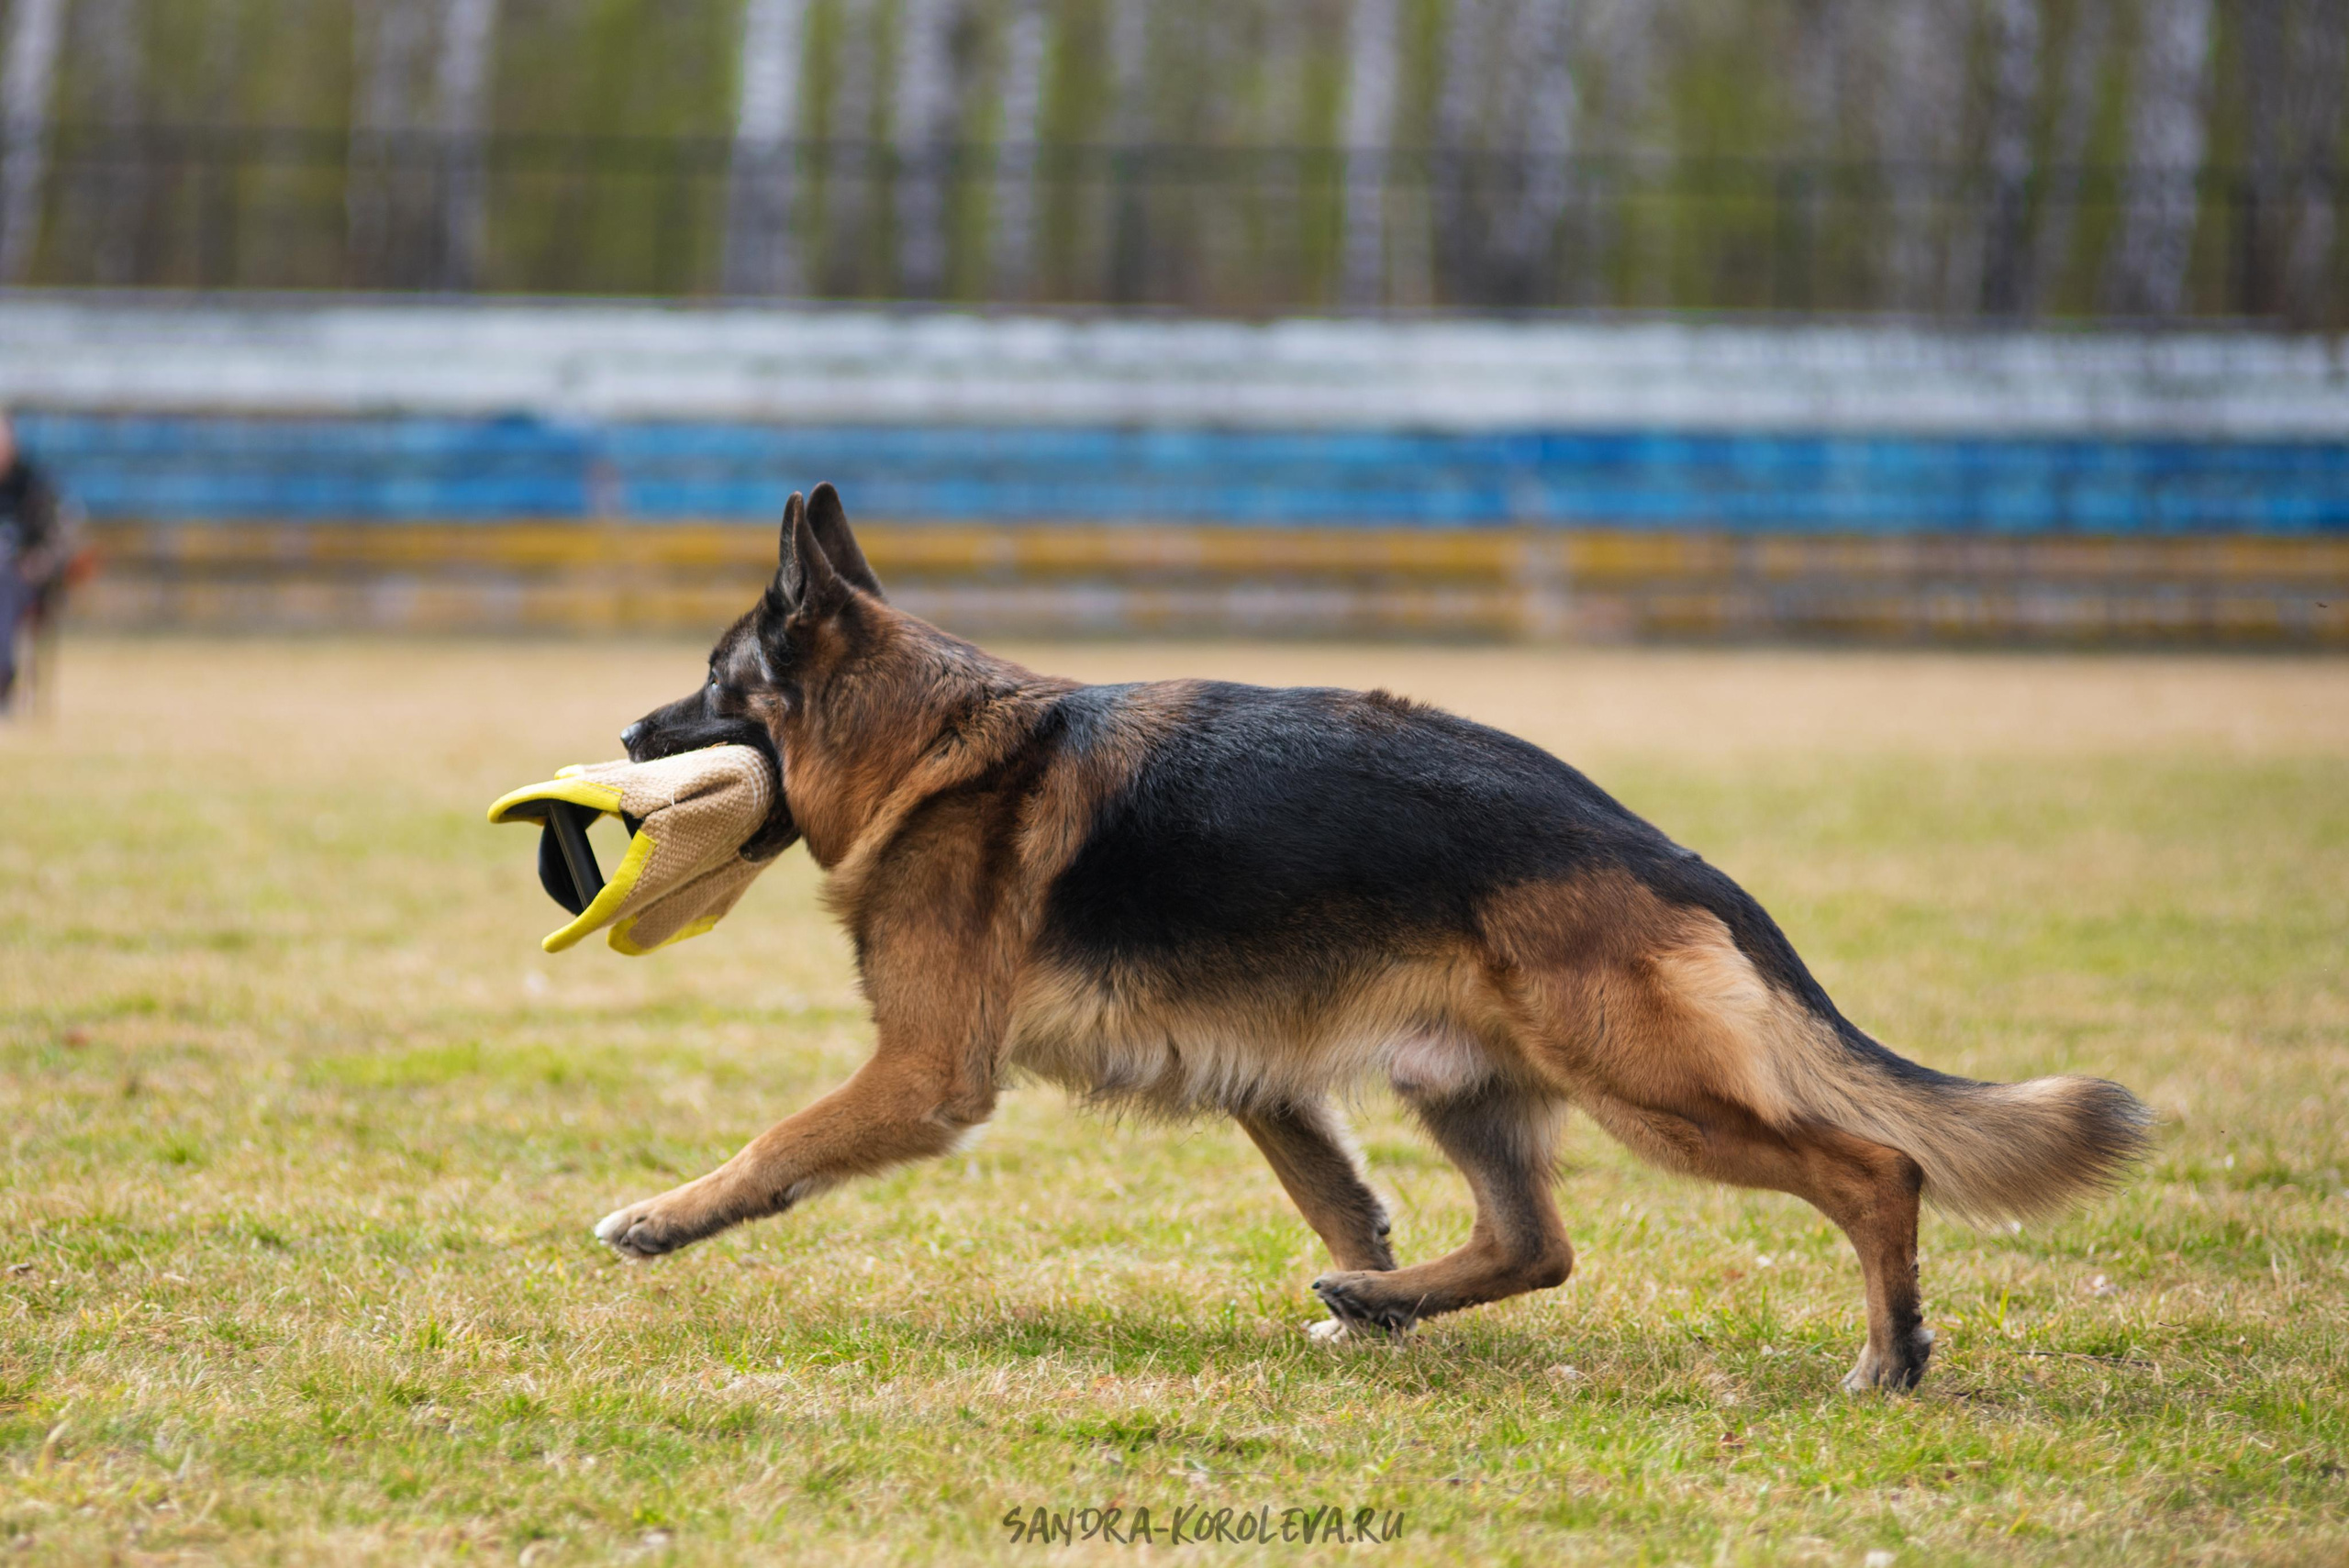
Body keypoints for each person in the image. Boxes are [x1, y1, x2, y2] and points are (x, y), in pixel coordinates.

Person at [0, 412, 81, 715]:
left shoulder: (33, 485)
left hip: (23, 583)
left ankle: (2, 678)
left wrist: (37, 564)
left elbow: (59, 539)